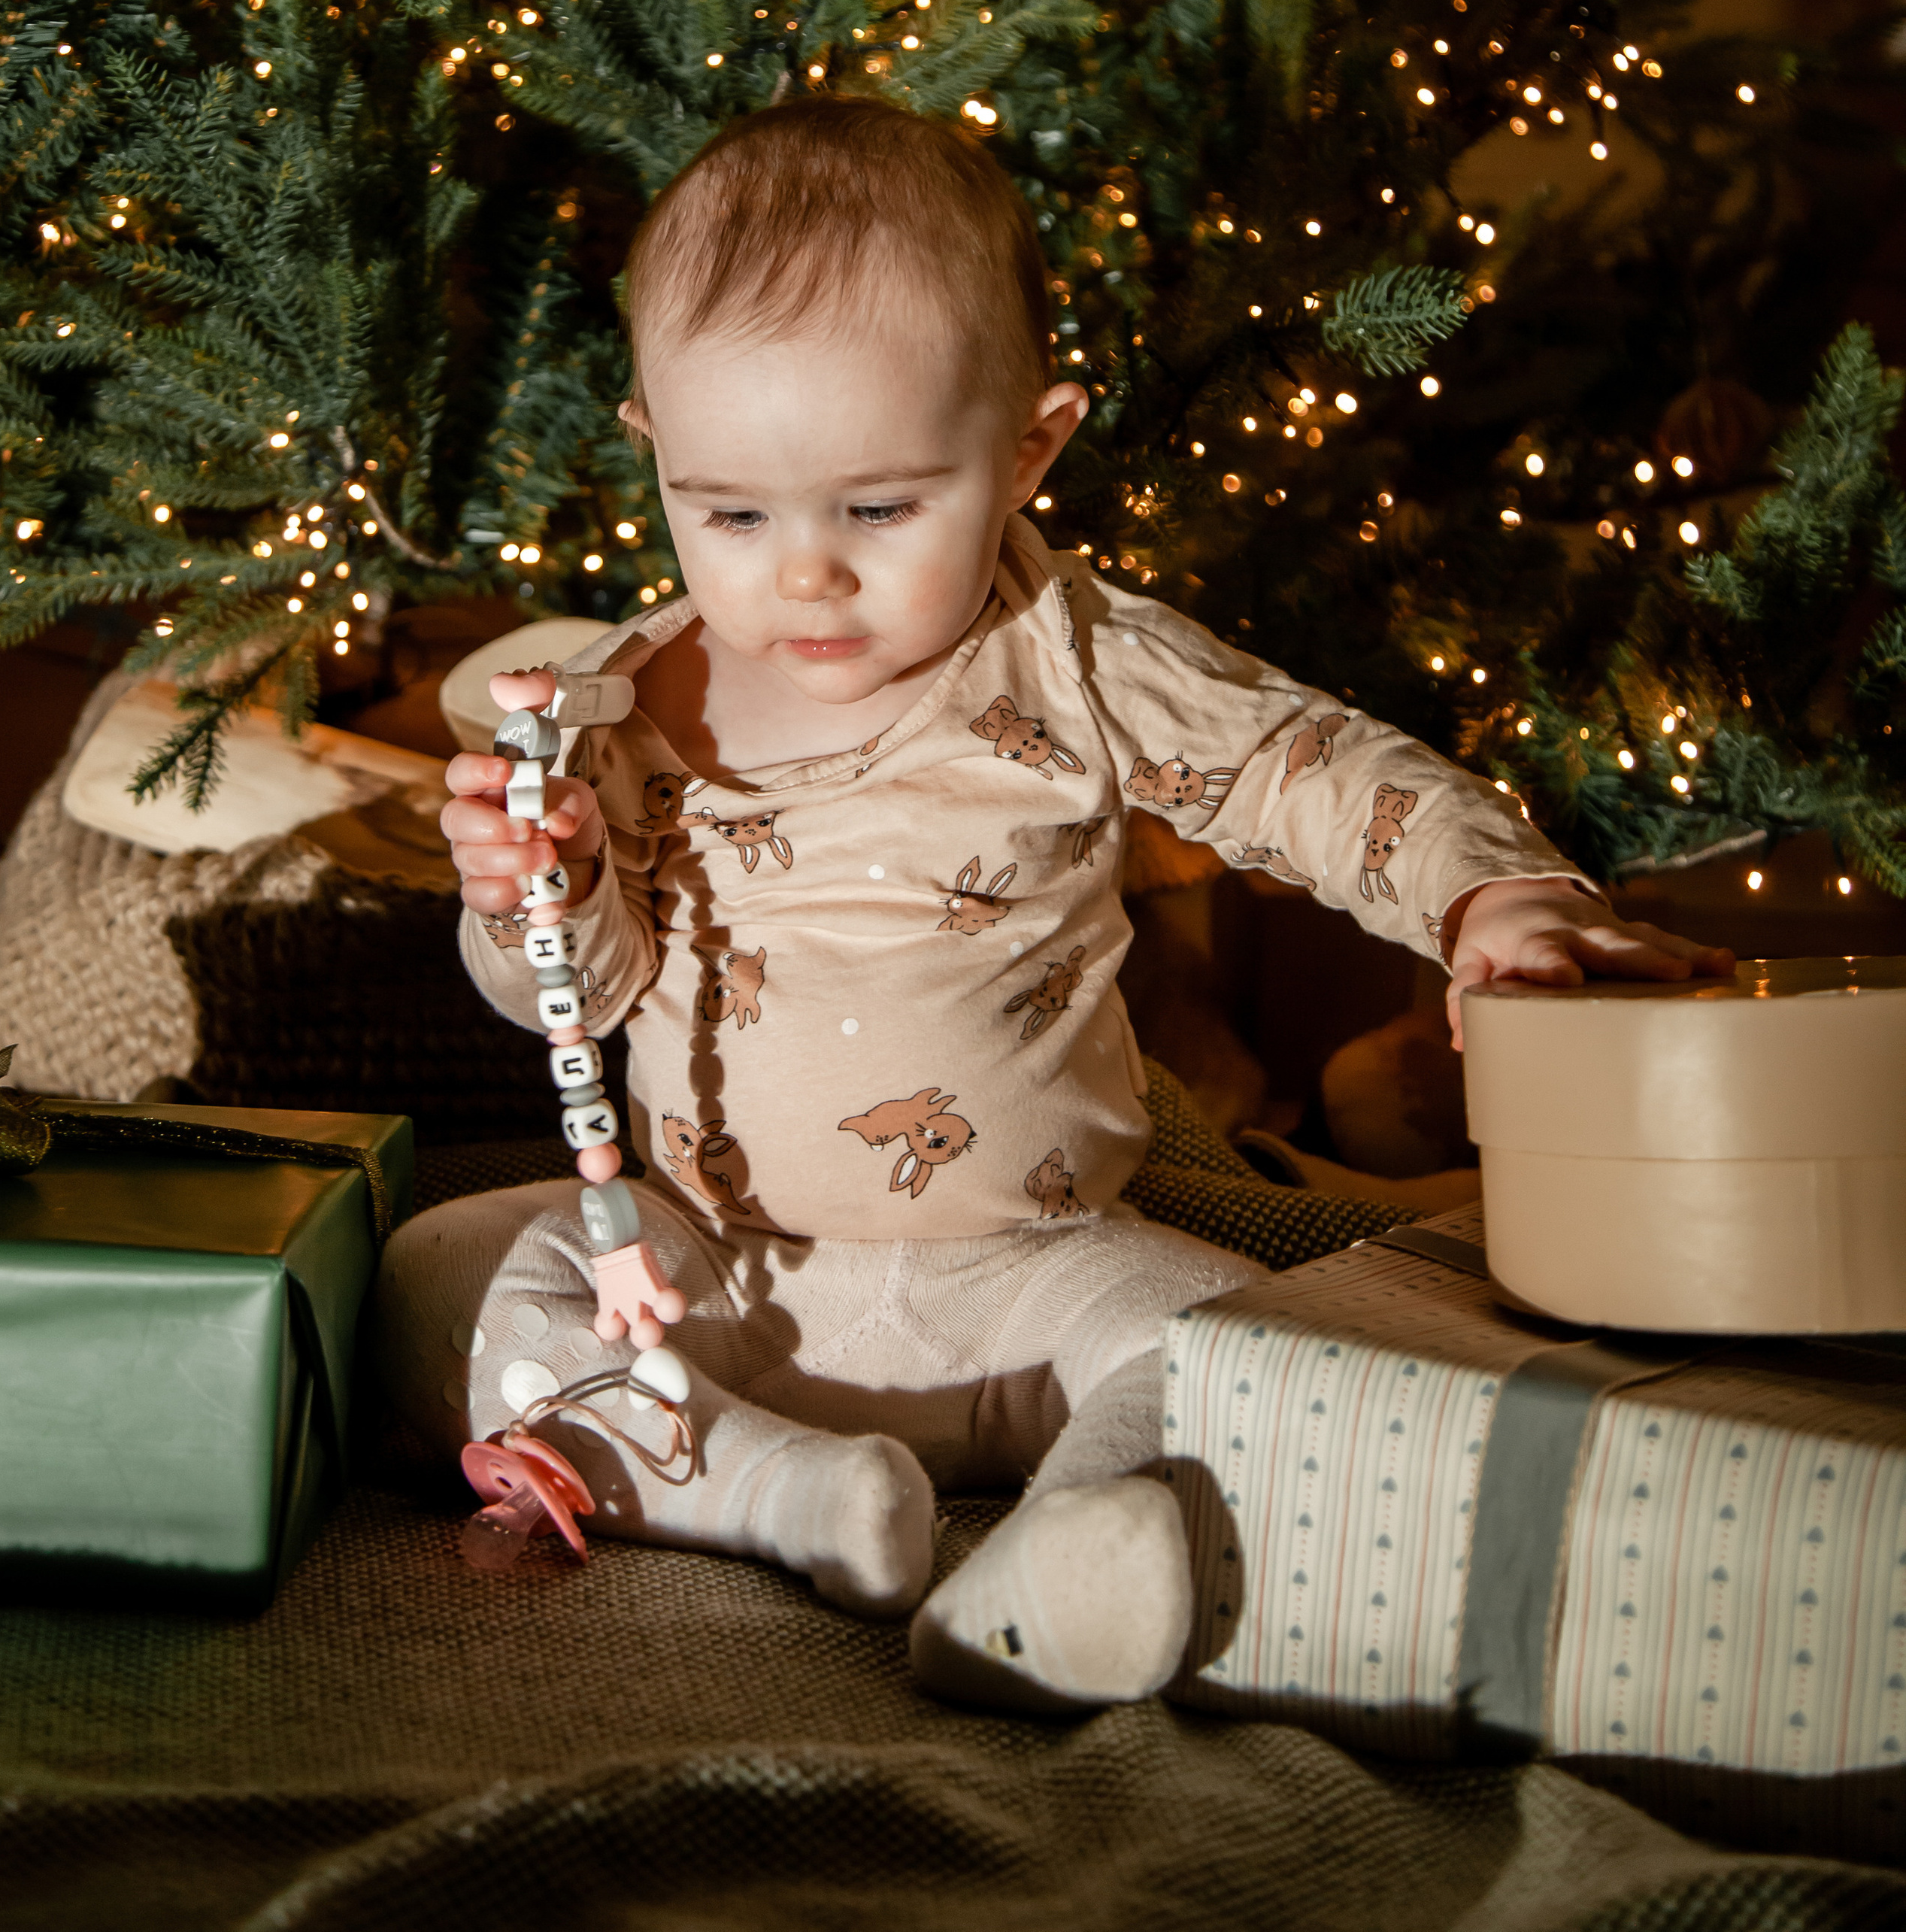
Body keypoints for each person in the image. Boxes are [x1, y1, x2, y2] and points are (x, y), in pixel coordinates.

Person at [380, 99, 1729, 1715]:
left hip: (1032, 1275)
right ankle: (788, 1498)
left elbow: (1302, 766)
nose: (804, 574)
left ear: (1028, 449)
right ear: (653, 442)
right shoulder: (611, 710)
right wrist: (534, 893)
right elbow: (570, 1000)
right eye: (731, 513)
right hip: (717, 1272)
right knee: (450, 1286)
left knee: (1233, 1348)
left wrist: (1489, 891)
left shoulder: (1076, 663)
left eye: (881, 509)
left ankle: (1069, 1554)